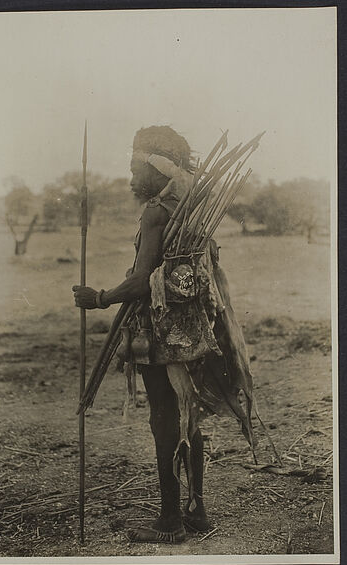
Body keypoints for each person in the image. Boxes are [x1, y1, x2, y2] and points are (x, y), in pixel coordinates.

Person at [73, 126, 255, 544]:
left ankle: (170, 521)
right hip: (191, 330)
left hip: (159, 333)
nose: (131, 173)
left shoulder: (157, 210)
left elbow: (142, 282)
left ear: (157, 167)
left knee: (163, 421)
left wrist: (99, 298)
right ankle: (196, 511)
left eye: (136, 164)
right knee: (188, 417)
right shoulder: (188, 205)